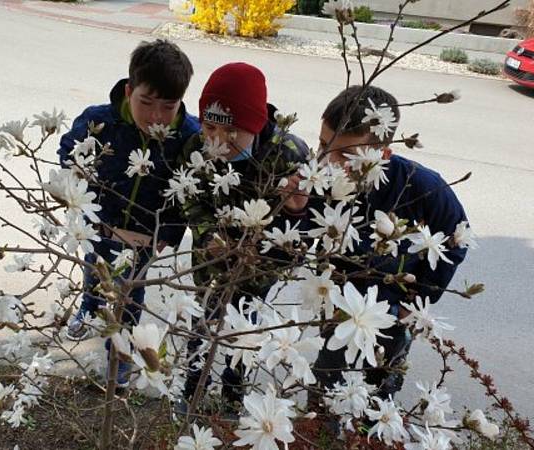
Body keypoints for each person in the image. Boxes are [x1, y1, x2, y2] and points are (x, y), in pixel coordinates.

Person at [295, 85, 471, 407]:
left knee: (379, 392)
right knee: (326, 383)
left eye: (346, 156)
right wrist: (296, 208)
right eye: (323, 145)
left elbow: (455, 242)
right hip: (338, 304)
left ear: (383, 154)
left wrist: (415, 301)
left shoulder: (425, 190)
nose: (330, 163)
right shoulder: (319, 182)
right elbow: (304, 233)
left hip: (392, 311)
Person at [57, 39, 199, 386]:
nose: (155, 117)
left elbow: (189, 193)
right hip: (98, 223)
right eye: (145, 102)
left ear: (181, 101)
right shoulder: (99, 122)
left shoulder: (187, 136)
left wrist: (167, 235)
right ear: (128, 90)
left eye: (168, 106)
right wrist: (74, 176)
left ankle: (118, 354)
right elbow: (67, 152)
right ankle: (89, 306)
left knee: (128, 294)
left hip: (142, 234)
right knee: (95, 270)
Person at [172, 62, 309, 414]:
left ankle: (235, 390)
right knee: (203, 321)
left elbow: (305, 223)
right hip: (211, 257)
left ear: (256, 125)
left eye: (231, 131)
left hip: (259, 263)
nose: (217, 140)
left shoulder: (288, 155)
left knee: (244, 330)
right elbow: (192, 200)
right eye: (209, 125)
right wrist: (208, 236)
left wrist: (293, 211)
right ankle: (193, 387)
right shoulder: (194, 149)